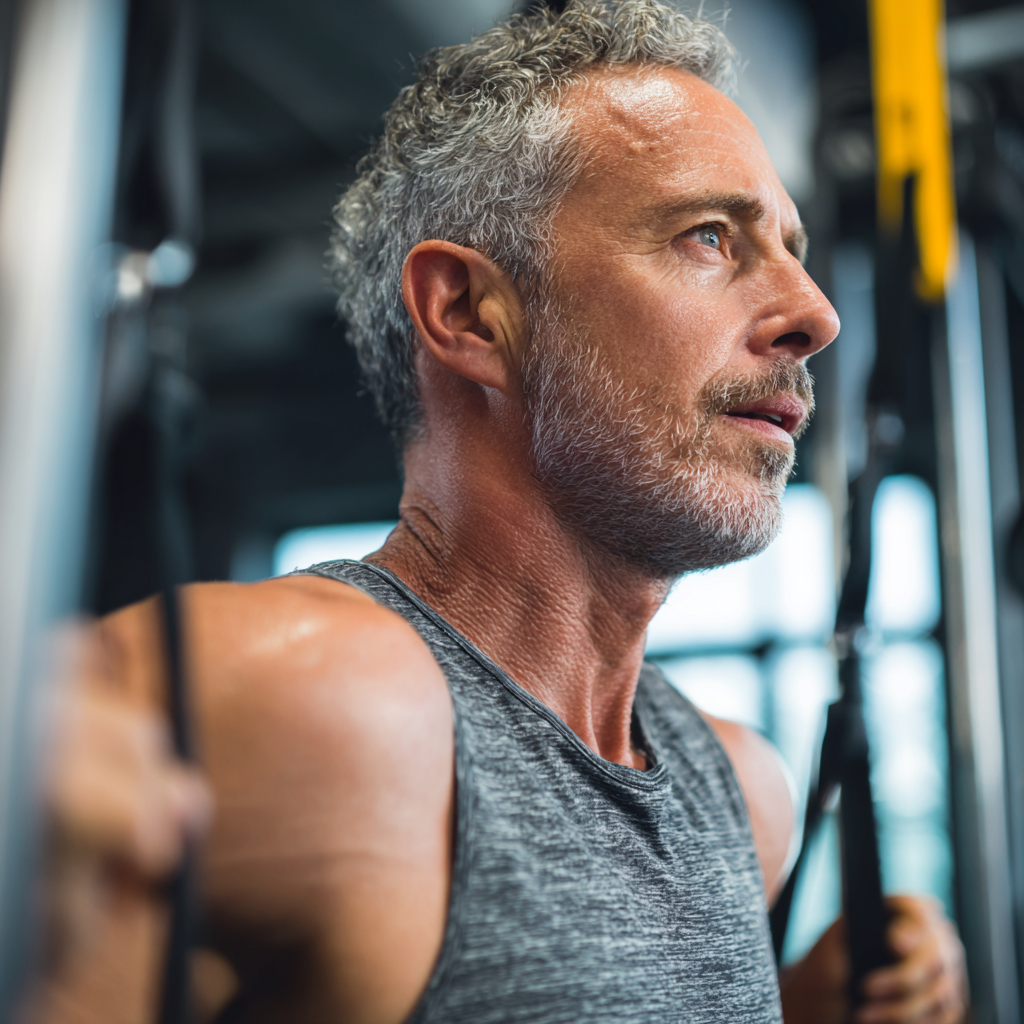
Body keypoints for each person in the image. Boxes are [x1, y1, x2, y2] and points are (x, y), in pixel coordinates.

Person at [31, 2, 968, 1022]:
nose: (816, 314)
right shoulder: (298, 704)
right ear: (469, 313)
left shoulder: (744, 792)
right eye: (709, 236)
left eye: (791, 247)